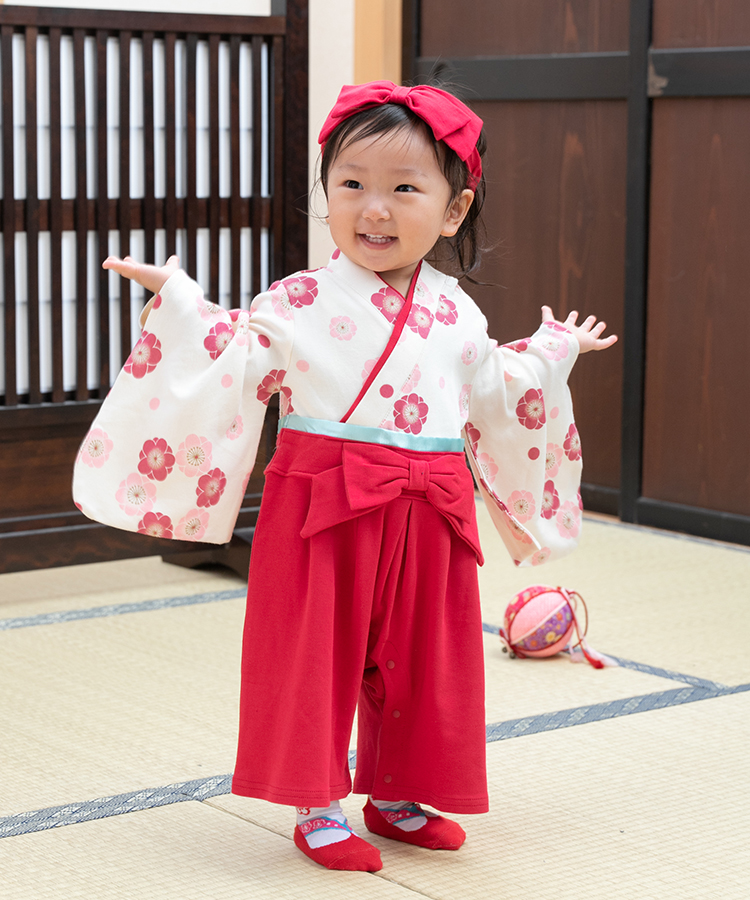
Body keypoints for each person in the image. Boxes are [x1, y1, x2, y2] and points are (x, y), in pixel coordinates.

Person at [74, 81, 616, 873]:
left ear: (454, 211)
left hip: (430, 503)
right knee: (315, 651)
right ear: (325, 194)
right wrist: (182, 302)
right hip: (323, 498)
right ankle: (317, 803)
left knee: (424, 654)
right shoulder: (297, 299)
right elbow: (234, 349)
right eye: (351, 184)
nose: (375, 208)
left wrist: (553, 353)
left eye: (405, 189)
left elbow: (492, 387)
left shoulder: (457, 312)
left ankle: (397, 794)